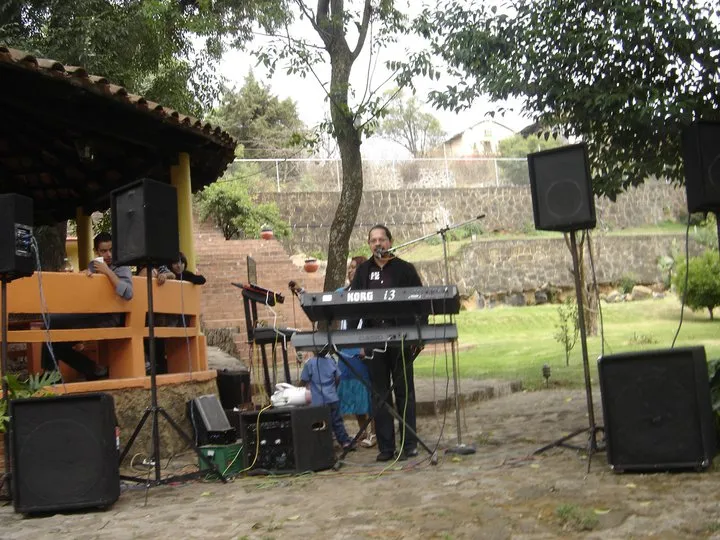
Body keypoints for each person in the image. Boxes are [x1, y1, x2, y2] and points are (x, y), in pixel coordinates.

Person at [349, 224, 424, 462]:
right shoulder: (363, 272)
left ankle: (409, 444)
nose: (377, 243)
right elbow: (352, 306)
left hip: (402, 340)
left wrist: (419, 335)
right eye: (373, 240)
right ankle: (386, 447)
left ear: (390, 242)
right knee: (379, 395)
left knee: (404, 393)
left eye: (381, 239)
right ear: (369, 244)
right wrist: (352, 338)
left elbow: (420, 303)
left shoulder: (405, 269)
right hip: (373, 341)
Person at [42, 232, 133, 380]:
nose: (108, 255)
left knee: (51, 323)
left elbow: (128, 293)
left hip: (110, 317)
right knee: (54, 334)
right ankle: (94, 370)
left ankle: (51, 375)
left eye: (111, 250)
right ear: (96, 252)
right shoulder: (93, 265)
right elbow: (80, 294)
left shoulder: (121, 267)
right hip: (90, 313)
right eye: (104, 251)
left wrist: (107, 272)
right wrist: (83, 277)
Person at [337, 256, 375, 447]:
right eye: (349, 267)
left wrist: (366, 347)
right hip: (344, 351)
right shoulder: (341, 293)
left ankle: (374, 433)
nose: (350, 271)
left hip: (361, 349)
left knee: (367, 392)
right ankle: (363, 430)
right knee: (352, 391)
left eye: (354, 268)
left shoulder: (369, 293)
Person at [300, 353, 355, 451]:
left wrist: (298, 387)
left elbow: (304, 380)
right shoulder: (331, 361)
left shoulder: (310, 363)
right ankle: (345, 442)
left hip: (318, 401)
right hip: (332, 397)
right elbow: (337, 377)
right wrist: (334, 388)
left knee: (320, 424)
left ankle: (325, 444)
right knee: (337, 422)